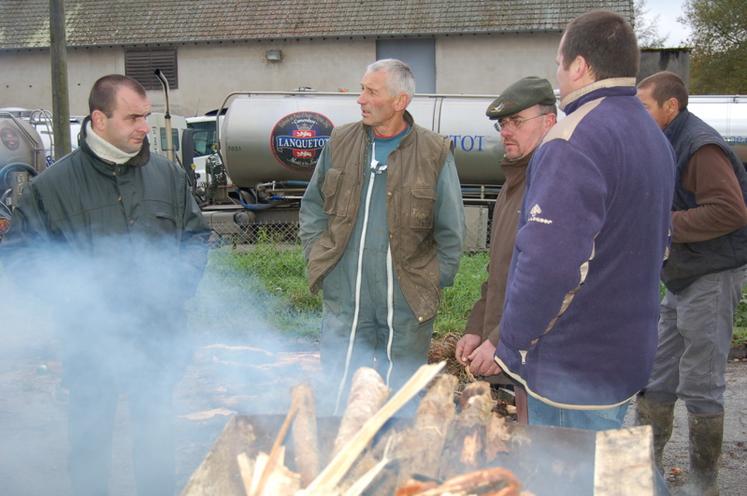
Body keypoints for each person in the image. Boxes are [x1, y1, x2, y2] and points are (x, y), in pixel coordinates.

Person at [1, 75, 210, 495]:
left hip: (157, 335)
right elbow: (19, 257)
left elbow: (196, 237)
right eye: (133, 117)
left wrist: (175, 285)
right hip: (88, 342)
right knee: (90, 444)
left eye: (146, 117)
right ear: (99, 119)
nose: (144, 127)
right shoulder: (52, 187)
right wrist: (76, 297)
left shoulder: (167, 176)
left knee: (156, 442)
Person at [492, 10, 675, 431]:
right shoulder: (652, 136)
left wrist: (514, 343)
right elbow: (661, 242)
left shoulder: (574, 138)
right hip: (625, 358)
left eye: (559, 61)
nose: (557, 72)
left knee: (563, 478)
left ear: (579, 66)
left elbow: (550, 264)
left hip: (571, 368)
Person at [299, 59, 465, 411]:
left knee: (400, 396)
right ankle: (340, 460)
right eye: (362, 89)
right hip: (346, 296)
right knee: (338, 390)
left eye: (371, 91)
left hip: (405, 299)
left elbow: (451, 231)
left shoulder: (434, 152)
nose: (360, 98)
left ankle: (392, 462)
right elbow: (312, 206)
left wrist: (432, 279)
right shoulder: (340, 141)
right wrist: (318, 257)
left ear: (399, 101)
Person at [635, 71, 747, 496]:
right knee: (657, 375)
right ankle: (646, 477)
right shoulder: (665, 140)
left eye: (644, 106)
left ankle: (705, 486)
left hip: (713, 274)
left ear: (670, 107)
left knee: (700, 382)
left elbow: (731, 211)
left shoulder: (700, 147)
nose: (639, 115)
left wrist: (663, 225)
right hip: (683, 274)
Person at [455, 77, 557, 382]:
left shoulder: (553, 185)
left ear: (549, 122)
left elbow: (546, 281)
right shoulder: (511, 185)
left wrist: (500, 342)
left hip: (538, 361)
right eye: (502, 123)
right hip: (507, 352)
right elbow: (499, 274)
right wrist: (477, 329)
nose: (505, 131)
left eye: (516, 121)